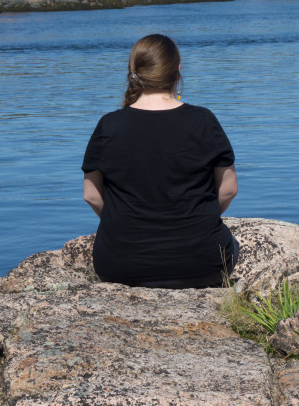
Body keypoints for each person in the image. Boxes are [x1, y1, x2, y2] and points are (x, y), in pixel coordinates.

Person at [81, 34, 239, 288]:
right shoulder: (204, 121)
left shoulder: (108, 126)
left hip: (121, 265)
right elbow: (229, 189)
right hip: (202, 263)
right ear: (178, 71)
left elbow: (92, 195)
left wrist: (121, 220)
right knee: (234, 244)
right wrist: (197, 218)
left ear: (134, 73)